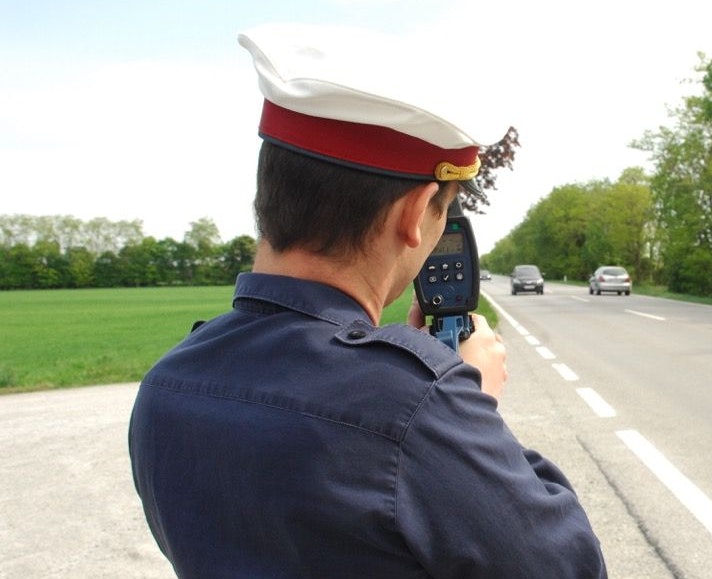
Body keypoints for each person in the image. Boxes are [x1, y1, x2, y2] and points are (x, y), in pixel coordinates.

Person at [128, 22, 607, 578]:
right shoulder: (415, 405)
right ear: (413, 213)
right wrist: (475, 411)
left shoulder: (167, 382)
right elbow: (568, 569)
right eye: (442, 212)